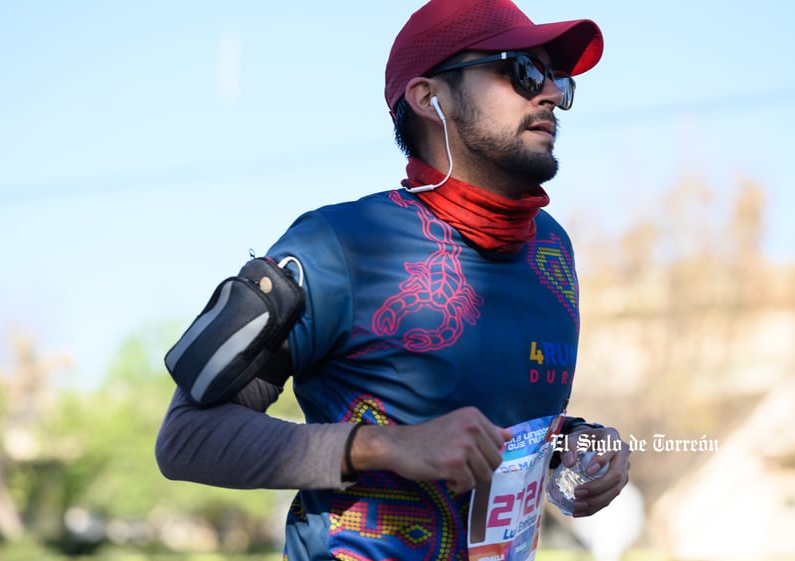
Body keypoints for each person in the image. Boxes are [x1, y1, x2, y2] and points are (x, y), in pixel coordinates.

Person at [155, 0, 631, 559]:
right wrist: (381, 446)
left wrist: (571, 447)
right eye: (522, 71)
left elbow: (508, 433)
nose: (550, 93)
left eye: (557, 79)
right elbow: (185, 438)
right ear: (430, 98)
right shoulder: (339, 244)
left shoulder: (552, 251)